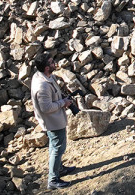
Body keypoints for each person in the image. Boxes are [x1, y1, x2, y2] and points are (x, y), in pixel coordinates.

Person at [32, 54, 76, 189]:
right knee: (58, 148)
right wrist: (63, 103)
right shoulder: (43, 85)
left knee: (54, 145)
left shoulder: (44, 76)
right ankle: (53, 179)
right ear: (46, 68)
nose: (55, 63)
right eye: (52, 62)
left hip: (55, 119)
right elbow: (46, 107)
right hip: (52, 121)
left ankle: (59, 168)